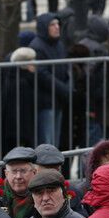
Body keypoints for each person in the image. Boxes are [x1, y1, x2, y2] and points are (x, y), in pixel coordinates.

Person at [30, 14, 70, 147]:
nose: (57, 27)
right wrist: (63, 88)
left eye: (57, 24)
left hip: (58, 100)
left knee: (55, 142)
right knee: (47, 142)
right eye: (52, 25)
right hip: (45, 102)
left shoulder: (59, 44)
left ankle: (53, 167)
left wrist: (68, 85)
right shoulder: (37, 46)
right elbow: (42, 74)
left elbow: (65, 68)